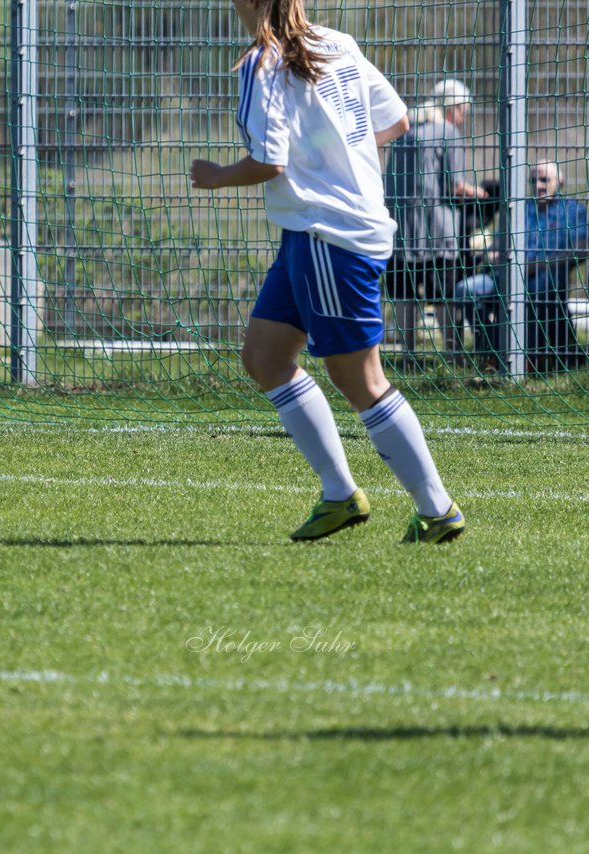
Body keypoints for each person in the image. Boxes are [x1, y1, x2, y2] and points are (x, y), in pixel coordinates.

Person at [189, 0, 464, 543]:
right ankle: (340, 495)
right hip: (311, 234)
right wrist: (336, 159)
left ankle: (438, 510)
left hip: (327, 236)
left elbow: (270, 162)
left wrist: (216, 176)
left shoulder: (260, 63)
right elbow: (396, 121)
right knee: (266, 358)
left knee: (359, 378)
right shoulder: (338, 42)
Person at [382, 80, 489, 362]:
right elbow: (455, 187)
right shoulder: (448, 132)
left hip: (399, 231)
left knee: (404, 291)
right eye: (464, 110)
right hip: (437, 231)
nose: (464, 117)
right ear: (453, 108)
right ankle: (453, 354)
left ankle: (408, 354)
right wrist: (481, 193)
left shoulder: (405, 131)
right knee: (443, 291)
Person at [455, 160, 589, 371]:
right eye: (533, 180)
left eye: (545, 180)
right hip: (509, 272)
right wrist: (493, 255)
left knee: (538, 288)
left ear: (560, 182)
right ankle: (492, 350)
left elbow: (580, 250)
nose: (538, 185)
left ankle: (529, 356)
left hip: (550, 273)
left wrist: (539, 265)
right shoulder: (518, 207)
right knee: (466, 290)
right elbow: (497, 245)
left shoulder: (573, 210)